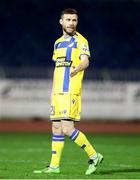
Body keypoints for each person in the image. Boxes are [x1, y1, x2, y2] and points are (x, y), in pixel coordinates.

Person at [34, 8, 103, 175]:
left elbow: (86, 61)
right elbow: (57, 68)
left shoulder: (81, 41)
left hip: (70, 90)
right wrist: (52, 91)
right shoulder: (57, 43)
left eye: (74, 20)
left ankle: (94, 155)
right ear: (61, 22)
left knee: (67, 128)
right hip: (57, 92)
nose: (71, 23)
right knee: (56, 128)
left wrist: (77, 68)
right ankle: (54, 166)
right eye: (68, 20)